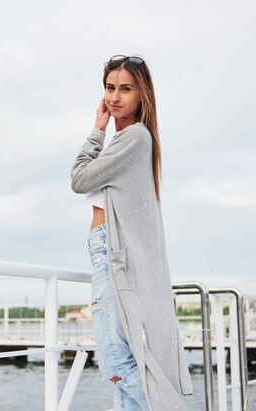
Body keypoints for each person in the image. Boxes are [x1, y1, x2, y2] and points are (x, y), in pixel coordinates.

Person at [70, 55, 193, 410]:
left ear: (143, 94)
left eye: (126, 88)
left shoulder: (133, 138)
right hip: (109, 251)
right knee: (124, 360)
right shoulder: (131, 140)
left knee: (114, 362)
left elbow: (79, 179)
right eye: (110, 88)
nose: (115, 98)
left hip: (111, 252)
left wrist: (96, 130)